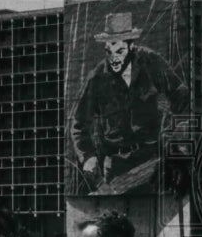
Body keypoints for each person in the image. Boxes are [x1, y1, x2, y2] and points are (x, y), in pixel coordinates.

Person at [70, 12, 190, 194]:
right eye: (108, 51)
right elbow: (78, 124)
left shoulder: (151, 63)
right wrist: (88, 157)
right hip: (116, 166)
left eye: (119, 51)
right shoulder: (97, 78)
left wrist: (178, 137)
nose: (114, 59)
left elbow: (182, 98)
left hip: (152, 160)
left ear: (131, 46)